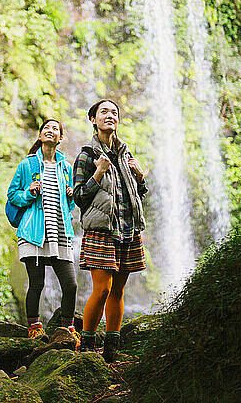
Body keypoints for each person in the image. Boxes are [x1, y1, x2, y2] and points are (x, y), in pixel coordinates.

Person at [73, 99, 147, 362]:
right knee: (102, 289)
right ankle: (87, 346)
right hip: (101, 230)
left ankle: (112, 350)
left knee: (118, 291)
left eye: (114, 112)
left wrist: (140, 178)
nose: (110, 115)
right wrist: (98, 173)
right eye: (103, 111)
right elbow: (79, 197)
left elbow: (136, 195)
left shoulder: (126, 154)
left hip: (128, 229)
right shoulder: (86, 155)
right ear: (93, 119)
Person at [7, 119, 79, 346]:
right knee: (36, 283)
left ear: (60, 138)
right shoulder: (27, 165)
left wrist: (70, 196)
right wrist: (28, 192)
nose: (50, 131)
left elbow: (70, 206)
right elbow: (12, 195)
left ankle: (68, 328)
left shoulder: (66, 167)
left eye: (55, 129)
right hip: (33, 231)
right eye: (46, 128)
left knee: (71, 285)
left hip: (59, 231)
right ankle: (34, 328)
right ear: (40, 136)